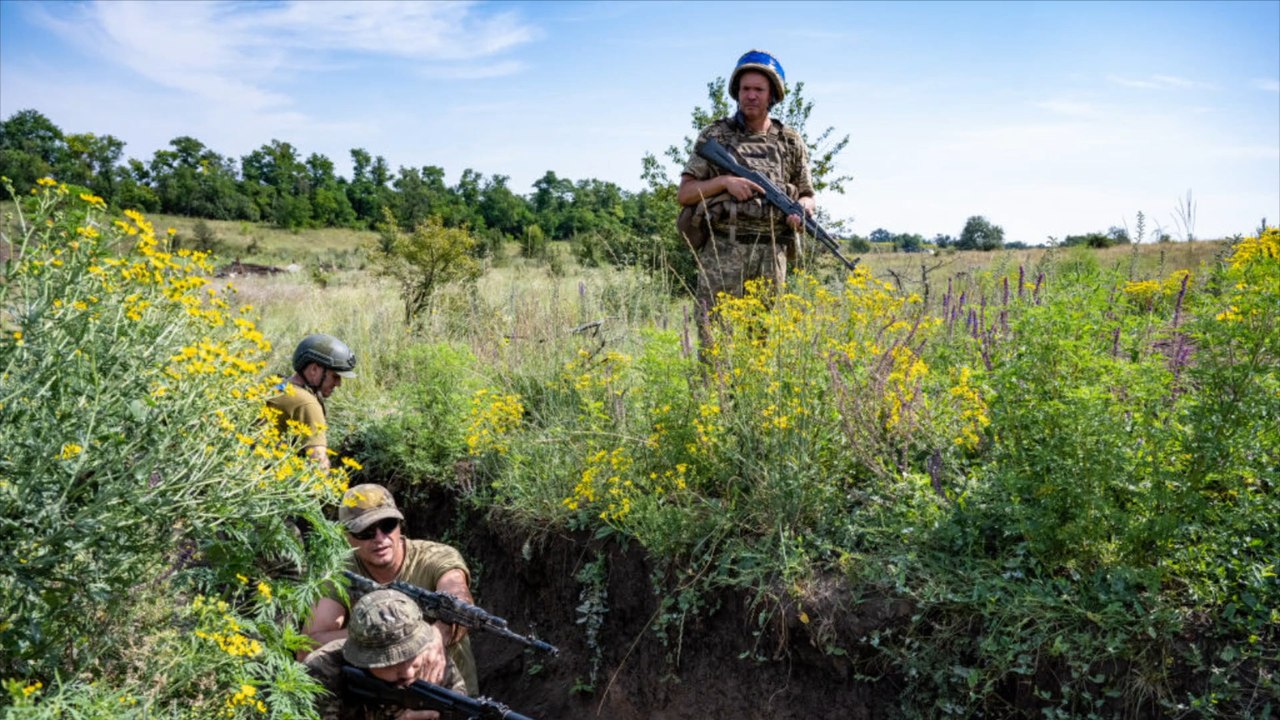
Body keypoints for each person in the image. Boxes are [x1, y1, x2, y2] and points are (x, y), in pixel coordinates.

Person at [677, 49, 816, 354]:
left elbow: (807, 193)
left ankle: (749, 404)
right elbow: (685, 194)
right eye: (745, 89)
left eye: (759, 90)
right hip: (723, 250)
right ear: (736, 92)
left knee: (761, 348)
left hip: (771, 254)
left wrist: (803, 209)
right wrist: (725, 182)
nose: (750, 96)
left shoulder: (790, 141)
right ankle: (713, 401)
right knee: (715, 347)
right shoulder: (715, 136)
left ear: (772, 96)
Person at [302, 484, 480, 696]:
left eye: (387, 525)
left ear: (399, 525)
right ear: (346, 535)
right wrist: (380, 639)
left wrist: (434, 636)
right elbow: (308, 646)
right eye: (365, 532)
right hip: (382, 702)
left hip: (447, 692)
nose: (379, 538)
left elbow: (461, 603)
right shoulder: (340, 573)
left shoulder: (434, 557)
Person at [305, 588, 469, 720]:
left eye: (412, 656)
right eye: (392, 663)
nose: (408, 672)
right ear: (364, 660)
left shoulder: (434, 662)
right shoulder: (323, 668)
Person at [266, 333, 357, 470]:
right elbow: (319, 464)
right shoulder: (307, 403)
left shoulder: (279, 386)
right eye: (335, 376)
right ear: (314, 369)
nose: (338, 384)